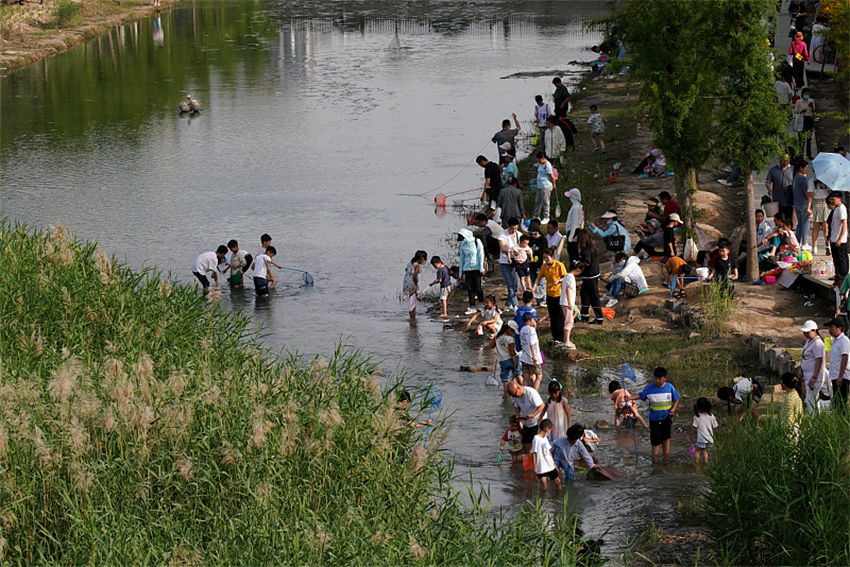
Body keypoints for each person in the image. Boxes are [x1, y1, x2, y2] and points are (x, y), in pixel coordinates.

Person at [628, 367, 680, 460]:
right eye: (655, 378)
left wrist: (673, 409)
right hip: (654, 420)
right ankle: (655, 460)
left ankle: (666, 457)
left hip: (666, 418)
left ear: (665, 378)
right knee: (655, 441)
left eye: (659, 378)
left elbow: (676, 398)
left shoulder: (670, 387)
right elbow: (640, 395)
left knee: (666, 439)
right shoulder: (650, 388)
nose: (657, 380)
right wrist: (629, 397)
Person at [533, 248, 567, 343]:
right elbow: (538, 278)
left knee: (559, 316)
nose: (545, 260)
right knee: (552, 316)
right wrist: (534, 288)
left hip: (558, 294)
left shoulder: (559, 265)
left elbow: (566, 277)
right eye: (544, 258)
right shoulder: (544, 266)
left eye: (547, 258)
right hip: (549, 293)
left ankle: (560, 337)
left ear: (552, 257)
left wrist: (559, 280)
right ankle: (554, 337)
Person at [800, 319, 831, 415]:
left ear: (814, 331)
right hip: (808, 376)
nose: (805, 334)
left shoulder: (818, 343)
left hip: (814, 378)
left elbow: (819, 361)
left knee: (810, 400)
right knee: (810, 399)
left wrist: (814, 377)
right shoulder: (809, 341)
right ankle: (817, 416)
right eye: (804, 332)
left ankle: (815, 420)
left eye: (807, 332)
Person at [507, 380, 546, 454]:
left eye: (515, 394)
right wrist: (518, 416)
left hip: (537, 421)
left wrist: (533, 415)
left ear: (518, 387)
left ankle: (535, 460)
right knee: (525, 443)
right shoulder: (515, 395)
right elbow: (516, 406)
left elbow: (542, 406)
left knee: (536, 444)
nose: (514, 397)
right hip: (526, 422)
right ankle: (528, 461)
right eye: (512, 396)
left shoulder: (531, 392)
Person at [575, 228, 604, 324]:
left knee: (593, 296)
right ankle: (584, 315)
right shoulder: (591, 246)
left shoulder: (586, 250)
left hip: (590, 275)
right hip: (591, 275)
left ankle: (599, 317)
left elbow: (587, 262)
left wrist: (578, 265)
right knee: (584, 294)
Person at [457, 229, 485, 314]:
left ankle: (481, 304)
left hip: (476, 268)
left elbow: (481, 255)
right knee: (470, 288)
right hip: (467, 268)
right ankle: (472, 306)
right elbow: (462, 258)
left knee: (478, 287)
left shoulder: (477, 242)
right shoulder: (463, 244)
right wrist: (461, 272)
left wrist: (481, 268)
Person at [498, 218, 521, 312]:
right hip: (505, 262)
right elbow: (503, 247)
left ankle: (508, 304)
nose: (514, 231)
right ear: (508, 226)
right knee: (510, 283)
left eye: (516, 228)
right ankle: (515, 305)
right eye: (512, 229)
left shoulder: (519, 235)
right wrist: (511, 250)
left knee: (516, 284)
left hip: (516, 261)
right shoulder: (502, 234)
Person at [531, 419, 561, 491]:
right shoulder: (536, 439)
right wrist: (534, 467)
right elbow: (533, 453)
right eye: (550, 430)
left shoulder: (545, 438)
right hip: (541, 466)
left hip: (549, 464)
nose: (550, 432)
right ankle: (543, 500)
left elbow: (549, 451)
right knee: (543, 484)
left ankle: (558, 497)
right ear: (547, 429)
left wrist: (554, 464)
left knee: (558, 482)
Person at [560, 259, 584, 350]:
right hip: (567, 303)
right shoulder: (570, 277)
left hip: (566, 302)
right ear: (578, 270)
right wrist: (570, 303)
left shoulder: (567, 275)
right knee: (569, 322)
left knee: (570, 318)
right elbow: (568, 289)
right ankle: (566, 342)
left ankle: (567, 340)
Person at [493, 321, 521, 394]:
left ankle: (506, 395)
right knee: (518, 375)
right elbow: (512, 352)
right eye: (513, 331)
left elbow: (491, 346)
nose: (513, 333)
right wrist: (515, 362)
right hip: (512, 359)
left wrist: (500, 348)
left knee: (505, 379)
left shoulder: (497, 336)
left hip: (503, 360)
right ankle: (522, 389)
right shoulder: (510, 339)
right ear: (508, 329)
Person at [519, 313, 544, 389]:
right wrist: (533, 356)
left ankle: (523, 395)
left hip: (524, 357)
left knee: (525, 378)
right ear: (530, 320)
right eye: (533, 319)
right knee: (539, 376)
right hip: (533, 358)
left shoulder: (522, 329)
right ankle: (535, 393)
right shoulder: (531, 330)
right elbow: (532, 343)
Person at [690, 397, 718, 465]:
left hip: (701, 438)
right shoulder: (712, 416)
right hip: (709, 438)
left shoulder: (697, 417)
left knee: (697, 451)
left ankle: (696, 464)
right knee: (704, 450)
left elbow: (693, 427)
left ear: (698, 407)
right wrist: (715, 434)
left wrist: (691, 435)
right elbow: (715, 427)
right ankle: (706, 464)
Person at [766, 156, 794, 222]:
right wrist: (769, 189)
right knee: (779, 219)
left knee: (789, 219)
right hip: (778, 199)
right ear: (779, 159)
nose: (785, 162)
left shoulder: (793, 169)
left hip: (789, 199)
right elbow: (768, 181)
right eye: (783, 160)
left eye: (787, 160)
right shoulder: (773, 170)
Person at [827, 192, 848, 281]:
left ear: (839, 199)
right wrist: (830, 237)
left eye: (834, 199)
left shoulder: (842, 209)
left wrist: (840, 238)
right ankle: (838, 275)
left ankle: (843, 276)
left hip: (840, 239)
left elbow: (844, 224)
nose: (833, 201)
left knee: (841, 259)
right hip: (834, 238)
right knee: (836, 259)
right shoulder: (836, 208)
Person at [792, 159, 812, 249]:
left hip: (797, 203)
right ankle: (805, 243)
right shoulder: (803, 179)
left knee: (800, 224)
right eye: (806, 168)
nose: (807, 169)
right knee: (805, 224)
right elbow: (806, 193)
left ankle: (797, 241)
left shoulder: (795, 177)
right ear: (801, 168)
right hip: (804, 203)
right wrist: (811, 195)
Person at [403, 250, 427, 319]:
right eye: (424, 259)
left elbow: (406, 270)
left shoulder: (410, 263)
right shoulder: (417, 266)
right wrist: (416, 283)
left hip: (406, 281)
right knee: (413, 297)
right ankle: (412, 312)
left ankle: (412, 312)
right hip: (412, 282)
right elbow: (415, 275)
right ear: (421, 259)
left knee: (411, 296)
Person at [793, 87, 816, 160]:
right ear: (803, 94)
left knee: (809, 138)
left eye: (808, 94)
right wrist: (802, 111)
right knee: (801, 139)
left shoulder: (811, 101)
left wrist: (811, 106)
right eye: (806, 94)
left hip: (809, 119)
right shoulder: (799, 102)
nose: (807, 95)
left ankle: (809, 154)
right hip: (802, 120)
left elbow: (814, 111)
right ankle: (801, 154)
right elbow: (796, 111)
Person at [534, 152, 556, 223]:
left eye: (539, 159)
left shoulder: (547, 165)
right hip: (539, 185)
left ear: (543, 158)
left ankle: (546, 217)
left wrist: (553, 184)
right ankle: (536, 216)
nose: (538, 161)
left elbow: (552, 177)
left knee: (545, 202)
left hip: (546, 186)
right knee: (538, 201)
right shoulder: (540, 164)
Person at [789, 31, 809, 97]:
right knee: (801, 72)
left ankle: (797, 85)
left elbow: (790, 52)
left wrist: (795, 53)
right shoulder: (803, 44)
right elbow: (805, 52)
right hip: (801, 60)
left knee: (795, 72)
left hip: (795, 60)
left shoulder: (793, 43)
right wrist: (808, 59)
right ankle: (801, 84)